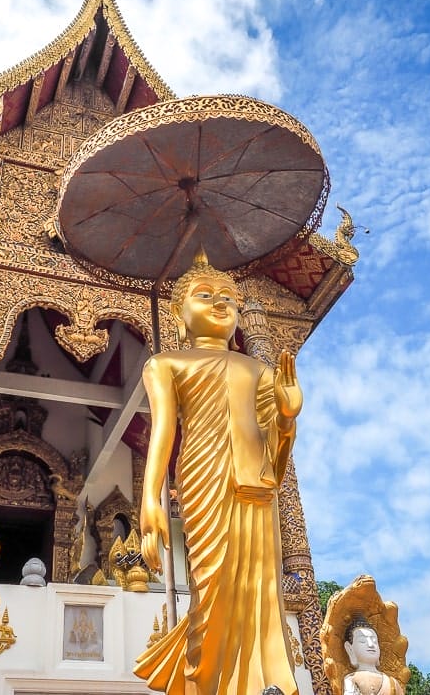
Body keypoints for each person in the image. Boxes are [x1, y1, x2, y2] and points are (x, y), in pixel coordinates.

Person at [134, 249, 302, 695]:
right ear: (179, 314)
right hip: (204, 472)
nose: (221, 303)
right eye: (205, 295)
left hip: (256, 482)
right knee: (211, 590)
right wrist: (150, 500)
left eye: (230, 297)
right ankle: (203, 683)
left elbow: (276, 451)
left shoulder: (259, 370)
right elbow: (163, 433)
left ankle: (264, 683)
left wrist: (286, 419)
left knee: (261, 589)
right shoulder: (166, 364)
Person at [342, 618, 404, 695]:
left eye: (375, 641)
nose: (371, 645)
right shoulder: (351, 679)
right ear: (350, 649)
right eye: (362, 641)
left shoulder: (392, 683)